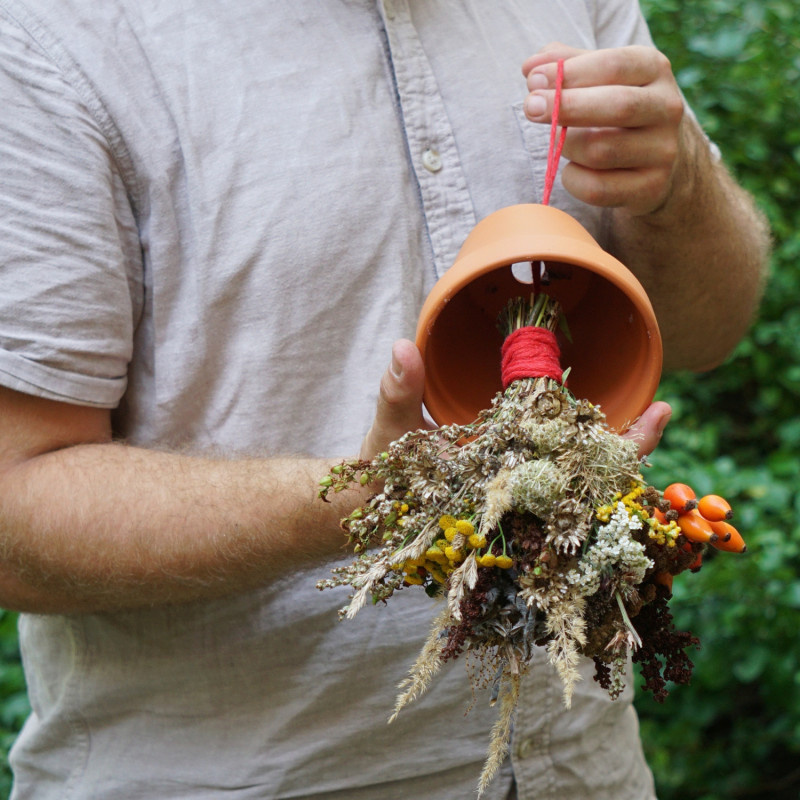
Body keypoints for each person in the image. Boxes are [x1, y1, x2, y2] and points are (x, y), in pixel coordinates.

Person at [0, 0, 768, 798]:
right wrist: (363, 501)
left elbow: (710, 330)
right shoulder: (59, 35)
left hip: (583, 772)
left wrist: (679, 186)